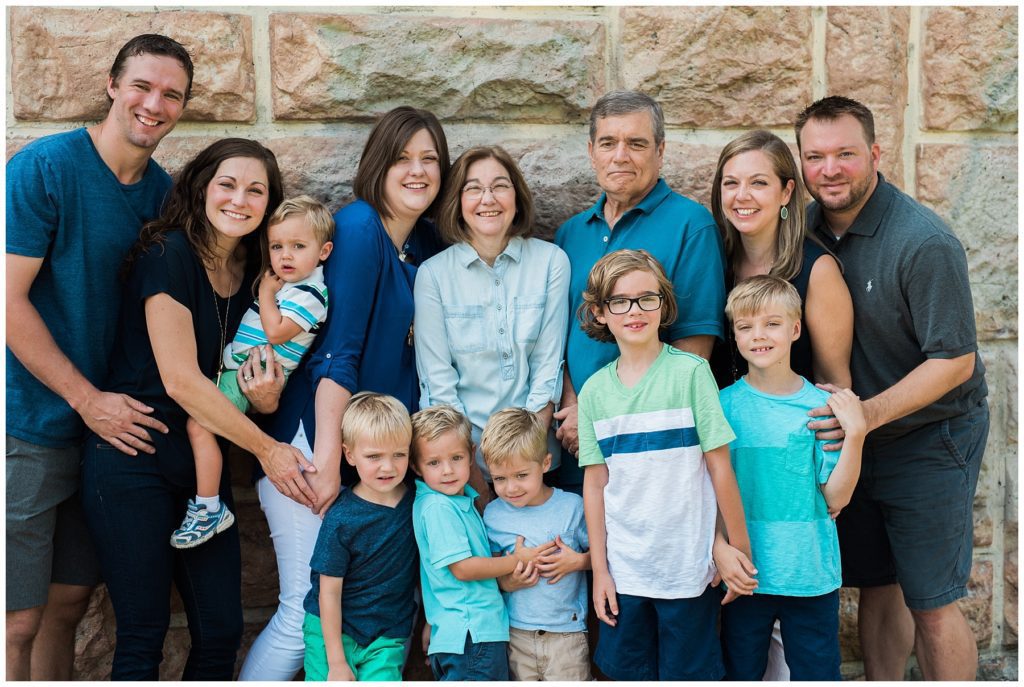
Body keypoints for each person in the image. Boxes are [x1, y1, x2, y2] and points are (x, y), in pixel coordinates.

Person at [79, 138, 318, 680]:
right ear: (202, 188)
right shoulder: (168, 255)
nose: (239, 200)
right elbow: (182, 381)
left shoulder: (262, 274)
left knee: (220, 633)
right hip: (133, 455)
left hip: (202, 469)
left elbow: (257, 374)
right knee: (142, 633)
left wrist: (266, 399)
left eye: (256, 190)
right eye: (227, 185)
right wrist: (269, 450)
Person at [5, 34, 192, 681]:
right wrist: (86, 400)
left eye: (171, 94)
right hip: (28, 425)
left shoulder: (166, 198)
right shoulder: (45, 167)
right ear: (112, 85)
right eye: (141, 85)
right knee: (16, 620)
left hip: (109, 440)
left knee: (67, 607)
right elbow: (7, 302)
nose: (154, 104)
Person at [240, 106, 450, 680]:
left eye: (429, 159)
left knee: (367, 619)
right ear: (378, 164)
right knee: (301, 615)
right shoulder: (358, 229)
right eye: (402, 158)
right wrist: (330, 462)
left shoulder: (424, 242)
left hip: (375, 452)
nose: (417, 170)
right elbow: (338, 353)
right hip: (314, 443)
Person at [796, 95, 989, 681]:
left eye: (846, 154)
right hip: (859, 439)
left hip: (929, 437)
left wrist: (865, 417)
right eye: (815, 156)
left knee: (931, 600)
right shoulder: (802, 228)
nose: (830, 169)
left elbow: (954, 362)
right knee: (879, 583)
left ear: (876, 155)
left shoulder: (923, 241)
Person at [575, 249, 747, 680]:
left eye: (646, 298)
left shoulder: (691, 373)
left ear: (663, 304)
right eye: (620, 301)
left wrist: (736, 549)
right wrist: (600, 571)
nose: (635, 310)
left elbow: (719, 467)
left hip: (687, 569)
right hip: (625, 573)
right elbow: (595, 485)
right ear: (600, 312)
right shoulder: (594, 392)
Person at [553, 89, 727, 494]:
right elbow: (561, 336)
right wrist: (574, 406)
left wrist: (601, 417)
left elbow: (693, 352)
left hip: (649, 451)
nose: (620, 156)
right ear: (591, 152)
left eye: (636, 143)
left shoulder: (691, 225)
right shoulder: (570, 233)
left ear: (660, 151)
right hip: (573, 446)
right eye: (608, 143)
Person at [714, 276, 865, 680]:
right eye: (745, 326)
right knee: (741, 674)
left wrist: (856, 434)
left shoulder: (821, 407)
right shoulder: (722, 406)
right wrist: (718, 546)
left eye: (772, 324)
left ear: (795, 329)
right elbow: (705, 491)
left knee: (817, 675)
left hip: (808, 573)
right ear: (734, 335)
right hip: (745, 575)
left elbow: (835, 498)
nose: (758, 335)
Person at [173, 196, 334, 549]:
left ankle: (208, 507)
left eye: (298, 246)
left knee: (199, 425)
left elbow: (276, 332)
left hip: (250, 377)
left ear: (323, 252)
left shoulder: (311, 294)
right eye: (277, 246)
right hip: (238, 369)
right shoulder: (290, 286)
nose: (285, 256)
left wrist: (264, 291)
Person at [414, 145, 570, 499]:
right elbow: (438, 385)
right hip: (463, 469)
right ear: (458, 201)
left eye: (500, 186)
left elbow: (547, 368)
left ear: (517, 196)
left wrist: (521, 467)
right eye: (473, 189)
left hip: (536, 466)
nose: (488, 199)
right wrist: (476, 480)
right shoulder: (433, 275)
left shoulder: (551, 262)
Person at [409, 405, 550, 681]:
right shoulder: (438, 507)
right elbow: (462, 568)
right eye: (434, 463)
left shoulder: (457, 501)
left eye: (456, 458)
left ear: (471, 454)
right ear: (416, 466)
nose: (447, 470)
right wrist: (517, 559)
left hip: (466, 633)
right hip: (472, 635)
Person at [709, 129, 853, 390]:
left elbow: (834, 384)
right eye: (731, 183)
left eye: (758, 183)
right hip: (721, 414)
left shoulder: (818, 271)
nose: (742, 195)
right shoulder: (714, 260)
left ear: (786, 192)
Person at [301, 392, 418, 682]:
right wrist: (337, 662)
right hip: (331, 632)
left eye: (398, 454)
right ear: (350, 454)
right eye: (374, 456)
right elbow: (328, 592)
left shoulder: (417, 503)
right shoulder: (341, 519)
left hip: (386, 636)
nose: (388, 467)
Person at [481, 407, 592, 681]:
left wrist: (578, 561)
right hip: (515, 632)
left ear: (545, 463)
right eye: (500, 478)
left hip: (566, 633)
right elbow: (490, 573)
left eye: (521, 475)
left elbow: (603, 555)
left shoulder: (571, 507)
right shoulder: (493, 515)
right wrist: (508, 582)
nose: (511, 488)